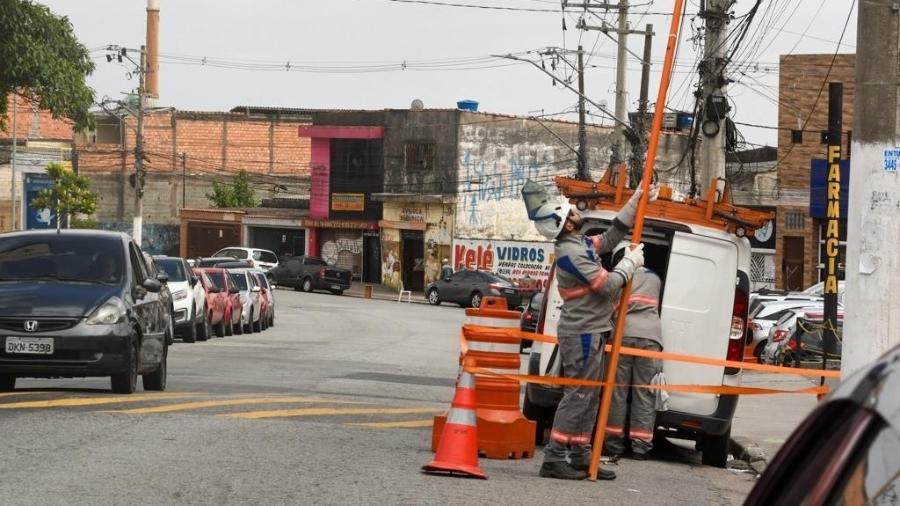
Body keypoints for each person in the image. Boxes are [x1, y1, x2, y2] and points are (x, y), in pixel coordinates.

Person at [521, 179, 657, 481]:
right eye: (570, 213)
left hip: (592, 330)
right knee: (578, 396)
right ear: (565, 225)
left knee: (589, 396)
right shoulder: (572, 253)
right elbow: (606, 285)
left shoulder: (578, 244)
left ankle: (581, 456)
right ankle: (555, 457)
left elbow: (609, 239)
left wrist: (635, 202)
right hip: (582, 333)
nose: (575, 213)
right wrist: (630, 264)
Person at [603, 242, 663, 460]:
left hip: (623, 336)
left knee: (617, 392)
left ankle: (613, 444)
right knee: (645, 392)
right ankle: (640, 446)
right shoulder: (656, 278)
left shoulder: (619, 277)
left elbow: (608, 307)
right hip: (651, 338)